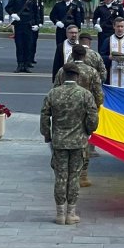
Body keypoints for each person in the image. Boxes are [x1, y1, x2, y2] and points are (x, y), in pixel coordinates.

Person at [40, 63, 99, 225]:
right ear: (77, 76)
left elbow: (44, 116)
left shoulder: (53, 93)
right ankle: (71, 213)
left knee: (60, 177)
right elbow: (93, 118)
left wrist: (47, 134)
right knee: (74, 177)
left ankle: (60, 213)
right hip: (78, 142)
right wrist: (87, 131)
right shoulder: (85, 95)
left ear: (63, 76)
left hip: (59, 142)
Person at [53, 44, 103, 187]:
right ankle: (82, 175)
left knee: (62, 141)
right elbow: (99, 94)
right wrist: (96, 107)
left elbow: (55, 89)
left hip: (64, 111)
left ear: (72, 54)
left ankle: (65, 173)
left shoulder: (64, 71)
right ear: (84, 55)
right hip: (84, 111)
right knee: (83, 143)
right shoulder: (92, 71)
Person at [7, 0, 40, 73]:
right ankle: (20, 64)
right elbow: (8, 8)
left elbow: (36, 13)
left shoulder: (33, 0)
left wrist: (37, 24)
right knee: (19, 45)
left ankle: (26, 65)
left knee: (28, 45)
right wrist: (13, 14)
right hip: (19, 25)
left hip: (29, 25)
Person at [101, 17, 124, 89]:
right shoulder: (108, 40)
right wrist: (109, 58)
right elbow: (101, 57)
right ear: (114, 27)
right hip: (111, 74)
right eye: (118, 26)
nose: (120, 29)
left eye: (122, 26)